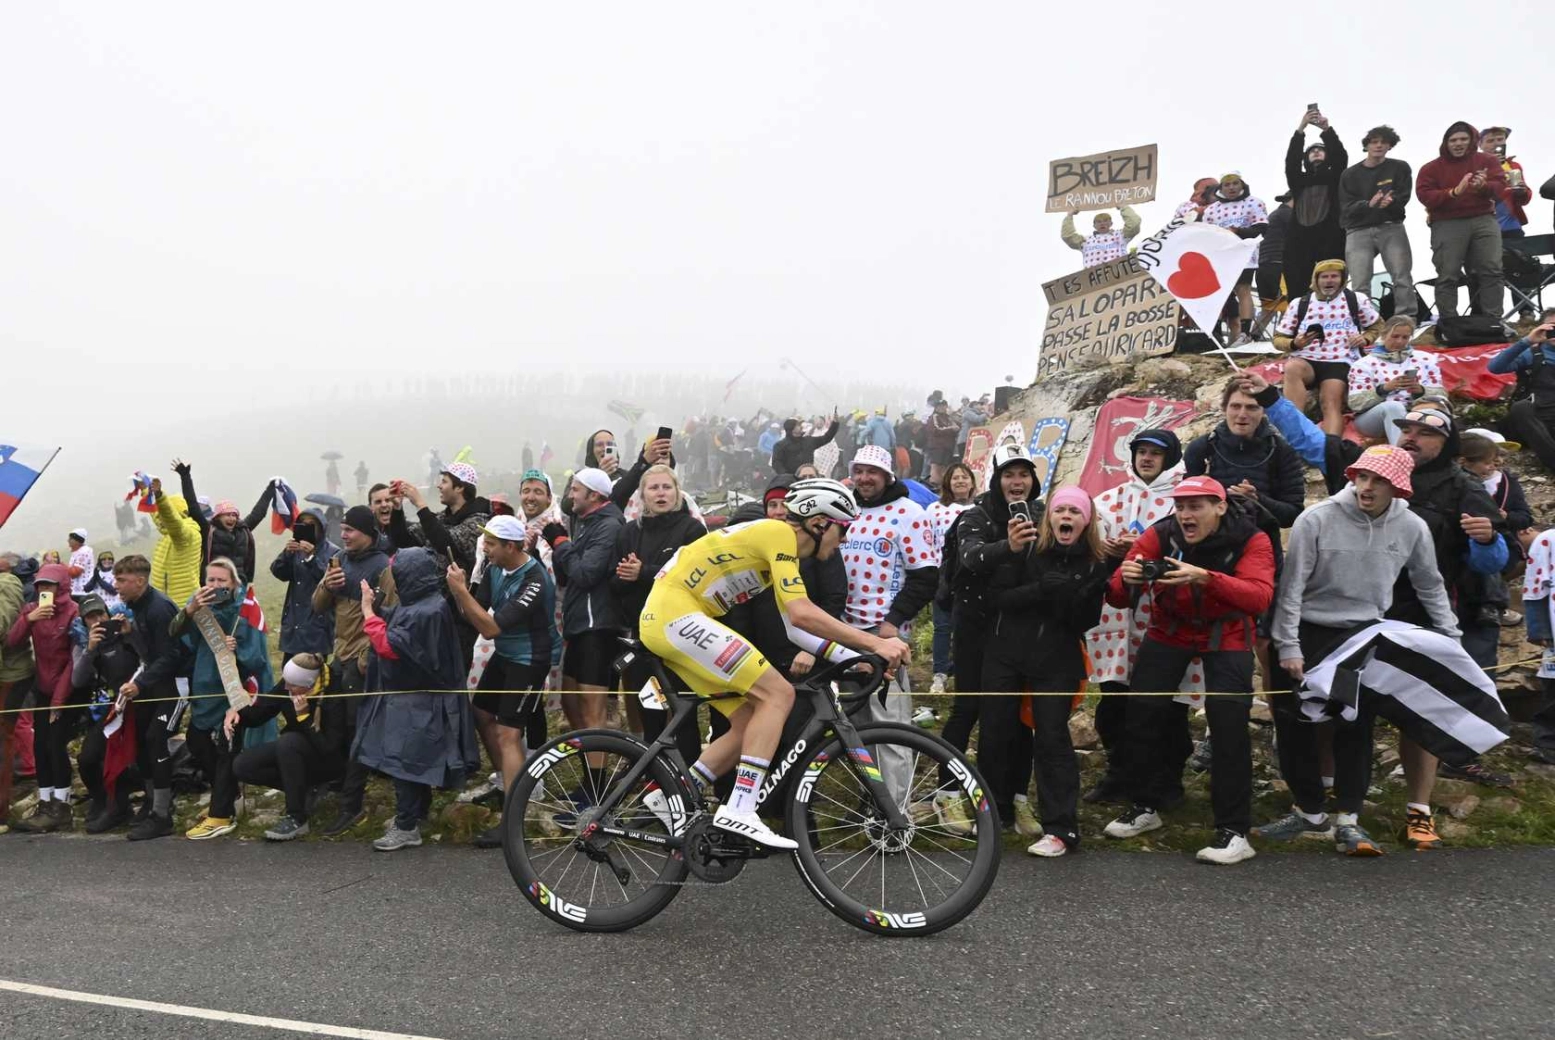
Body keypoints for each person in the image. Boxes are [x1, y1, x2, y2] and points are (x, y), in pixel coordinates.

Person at [639, 479, 910, 847]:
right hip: (676, 615)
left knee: (750, 719)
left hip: (669, 620)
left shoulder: (776, 549)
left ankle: (675, 793)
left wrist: (857, 659)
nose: (844, 540)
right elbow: (802, 614)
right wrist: (876, 642)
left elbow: (794, 630)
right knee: (778, 694)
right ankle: (740, 807)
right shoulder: (779, 535)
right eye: (843, 529)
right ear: (819, 523)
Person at [1256, 446, 1458, 856]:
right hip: (1307, 629)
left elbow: (1429, 583)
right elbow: (1291, 587)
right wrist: (1289, 645)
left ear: (1397, 487)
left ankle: (1349, 818)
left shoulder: (1412, 526)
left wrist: (1450, 638)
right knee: (1294, 725)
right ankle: (1309, 810)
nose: (1366, 487)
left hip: (1362, 634)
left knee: (1355, 724)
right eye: (1362, 477)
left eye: (1378, 481)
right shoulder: (1317, 518)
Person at [1102, 477, 1274, 865]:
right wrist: (1124, 578)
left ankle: (1234, 830)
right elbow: (1116, 595)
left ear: (1220, 507)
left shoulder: (1252, 538)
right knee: (1142, 714)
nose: (1185, 515)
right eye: (1180, 506)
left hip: (1227, 631)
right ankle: (1145, 804)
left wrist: (1206, 578)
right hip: (1170, 627)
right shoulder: (1161, 533)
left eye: (1196, 506)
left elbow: (1259, 596)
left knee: (1228, 724)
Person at [982, 487, 1111, 857]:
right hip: (1006, 654)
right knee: (997, 732)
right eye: (1060, 510)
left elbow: (1085, 621)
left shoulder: (1094, 563)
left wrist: (1072, 593)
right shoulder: (1026, 549)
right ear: (1049, 518)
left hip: (1058, 659)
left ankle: (1061, 828)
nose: (1066, 516)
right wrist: (1040, 589)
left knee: (1052, 739)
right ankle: (994, 812)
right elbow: (998, 599)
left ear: (1086, 521)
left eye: (1075, 511)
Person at [1084, 429, 1189, 804]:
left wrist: (1146, 550)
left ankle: (1167, 780)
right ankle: (1119, 774)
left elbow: (1192, 552)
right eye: (1141, 452)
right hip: (1116, 617)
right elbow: (1086, 546)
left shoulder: (1182, 502)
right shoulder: (1108, 500)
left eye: (1155, 454)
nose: (1146, 458)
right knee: (1114, 700)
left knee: (1167, 703)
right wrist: (1107, 550)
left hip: (1165, 616)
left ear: (1169, 458)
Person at [356, 547, 481, 851]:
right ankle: (416, 815)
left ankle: (406, 826)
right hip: (417, 697)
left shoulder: (427, 611)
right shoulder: (424, 602)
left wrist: (368, 612)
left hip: (420, 700)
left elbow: (389, 645)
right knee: (415, 760)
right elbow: (401, 623)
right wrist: (379, 607)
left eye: (397, 575)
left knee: (405, 761)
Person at [446, 516, 560, 847]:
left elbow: (490, 628)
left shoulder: (535, 579)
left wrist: (460, 590)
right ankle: (510, 783)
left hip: (530, 659)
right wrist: (460, 593)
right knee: (481, 712)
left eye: (491, 544)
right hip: (506, 654)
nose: (485, 548)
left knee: (508, 734)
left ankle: (514, 819)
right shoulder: (494, 567)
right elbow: (473, 611)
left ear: (511, 547)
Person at [952, 444, 1044, 834]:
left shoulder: (1042, 513)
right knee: (971, 711)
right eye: (1009, 474)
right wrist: (1010, 546)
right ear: (996, 479)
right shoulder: (976, 514)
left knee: (1022, 717)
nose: (1017, 482)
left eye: (1024, 474)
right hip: (976, 627)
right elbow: (970, 557)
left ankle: (1016, 799)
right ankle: (950, 794)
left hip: (1021, 629)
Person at [842, 445, 939, 807]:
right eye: (859, 471)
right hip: (843, 632)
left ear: (887, 475)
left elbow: (925, 577)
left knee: (891, 726)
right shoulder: (845, 509)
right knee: (855, 726)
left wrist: (893, 622)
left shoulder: (909, 512)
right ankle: (872, 801)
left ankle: (896, 811)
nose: (864, 478)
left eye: (872, 472)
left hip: (883, 632)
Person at [173, 555, 273, 840]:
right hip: (206, 684)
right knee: (197, 740)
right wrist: (190, 611)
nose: (215, 585)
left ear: (234, 583)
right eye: (211, 580)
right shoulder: (200, 605)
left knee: (227, 747)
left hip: (234, 687)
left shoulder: (244, 608)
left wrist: (236, 648)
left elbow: (256, 657)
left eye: (221, 580)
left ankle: (221, 814)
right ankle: (227, 795)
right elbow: (178, 635)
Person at [540, 467, 626, 791]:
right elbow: (568, 573)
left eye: (575, 489)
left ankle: (597, 791)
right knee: (571, 703)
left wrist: (561, 542)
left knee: (592, 713)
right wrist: (560, 545)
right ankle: (591, 779)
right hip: (580, 626)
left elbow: (586, 573)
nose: (570, 495)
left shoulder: (609, 525)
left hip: (599, 628)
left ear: (594, 495)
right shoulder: (587, 522)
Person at [309, 505, 390, 835]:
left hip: (362, 661)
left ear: (367, 533)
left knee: (358, 730)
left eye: (350, 530)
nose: (343, 535)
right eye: (341, 529)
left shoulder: (383, 566)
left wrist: (366, 657)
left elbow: (391, 616)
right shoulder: (338, 560)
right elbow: (317, 606)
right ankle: (335, 784)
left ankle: (352, 805)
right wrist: (327, 586)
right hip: (339, 657)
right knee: (335, 726)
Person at [611, 464, 705, 745]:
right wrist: (627, 576)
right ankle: (653, 767)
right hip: (643, 636)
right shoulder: (628, 533)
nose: (661, 493)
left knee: (682, 713)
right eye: (654, 488)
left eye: (667, 487)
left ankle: (688, 768)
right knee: (650, 710)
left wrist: (644, 573)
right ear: (643, 495)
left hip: (681, 634)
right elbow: (613, 584)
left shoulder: (692, 529)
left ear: (677, 493)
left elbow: (695, 579)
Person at [229, 653, 349, 841]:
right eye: (286, 682)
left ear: (309, 685)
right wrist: (236, 713)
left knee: (288, 742)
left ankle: (297, 818)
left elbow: (329, 747)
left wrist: (304, 717)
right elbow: (259, 714)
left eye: (292, 685)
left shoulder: (335, 694)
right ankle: (302, 791)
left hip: (329, 761)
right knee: (243, 765)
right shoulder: (290, 685)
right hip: (293, 753)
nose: (286, 688)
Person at [110, 554, 187, 840]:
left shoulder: (158, 608)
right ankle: (153, 802)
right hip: (155, 682)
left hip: (177, 683)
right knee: (141, 737)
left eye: (121, 580)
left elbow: (171, 656)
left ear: (140, 580)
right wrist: (130, 635)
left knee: (157, 739)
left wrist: (139, 684)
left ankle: (163, 815)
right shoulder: (137, 605)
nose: (116, 585)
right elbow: (149, 652)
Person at [5, 563, 81, 833]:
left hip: (67, 690)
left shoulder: (74, 612)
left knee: (55, 745)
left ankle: (62, 807)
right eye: (40, 585)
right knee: (40, 746)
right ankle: (46, 802)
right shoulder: (32, 610)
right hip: (43, 688)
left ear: (62, 586)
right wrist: (30, 618)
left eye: (49, 585)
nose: (43, 590)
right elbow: (12, 640)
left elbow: (73, 661)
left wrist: (58, 702)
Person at [1273, 258, 1383, 435]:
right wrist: (1295, 343)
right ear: (1316, 280)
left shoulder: (1355, 299)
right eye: (1324, 276)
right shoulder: (1299, 303)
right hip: (1306, 359)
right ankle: (1293, 434)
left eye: (1334, 276)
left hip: (1340, 360)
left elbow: (1377, 325)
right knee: (1292, 367)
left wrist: (1365, 338)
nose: (1329, 281)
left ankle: (1332, 446)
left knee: (1330, 403)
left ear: (1342, 279)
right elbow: (1278, 339)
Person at [1416, 121, 1511, 320]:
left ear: (1472, 140)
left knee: (1492, 270)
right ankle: (1449, 323)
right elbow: (1424, 195)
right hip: (1447, 223)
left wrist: (1484, 187)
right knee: (1448, 274)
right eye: (1453, 140)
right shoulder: (1431, 168)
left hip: (1483, 219)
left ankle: (1493, 321)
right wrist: (1452, 193)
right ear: (1446, 142)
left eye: (1463, 139)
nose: (1458, 143)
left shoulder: (1488, 160)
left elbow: (1501, 188)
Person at [72, 595, 143, 833]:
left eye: (101, 614)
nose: (98, 621)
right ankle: (103, 800)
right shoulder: (84, 643)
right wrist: (90, 650)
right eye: (91, 618)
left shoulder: (125, 633)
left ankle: (120, 808)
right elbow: (77, 680)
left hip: (139, 703)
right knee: (87, 759)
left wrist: (129, 634)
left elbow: (148, 659)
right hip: (110, 709)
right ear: (84, 623)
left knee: (122, 755)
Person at [1340, 124, 1416, 320]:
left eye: (1384, 142)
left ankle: (1407, 318)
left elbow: (1404, 196)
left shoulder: (1400, 167)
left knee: (1401, 275)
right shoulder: (1350, 174)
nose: (1379, 145)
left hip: (1391, 225)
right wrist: (1369, 204)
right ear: (1366, 145)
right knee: (1359, 282)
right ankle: (1364, 321)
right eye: (1374, 142)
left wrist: (1391, 202)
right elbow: (1345, 207)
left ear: (1390, 145)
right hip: (1358, 230)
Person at [1457, 431, 1530, 629]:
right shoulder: (1461, 485)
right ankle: (1490, 603)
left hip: (1496, 545)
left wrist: (1507, 517)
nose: (1495, 463)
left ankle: (1492, 603)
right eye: (1489, 460)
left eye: (1499, 457)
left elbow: (1525, 517)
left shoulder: (1507, 483)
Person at [1283, 108, 1349, 300]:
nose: (1316, 152)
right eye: (1312, 151)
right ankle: (1299, 315)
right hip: (1300, 236)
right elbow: (1291, 162)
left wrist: (1326, 129)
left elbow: (1340, 157)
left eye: (1320, 150)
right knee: (1296, 280)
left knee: (1332, 277)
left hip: (1330, 235)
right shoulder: (1298, 180)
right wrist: (1301, 128)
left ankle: (1336, 312)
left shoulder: (1335, 177)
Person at [1345, 316, 1443, 445]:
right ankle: (1402, 452)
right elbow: (1355, 403)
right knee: (1393, 407)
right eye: (1395, 336)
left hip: (1415, 412)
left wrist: (1420, 391)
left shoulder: (1426, 359)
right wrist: (1384, 389)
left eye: (1405, 337)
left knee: (1434, 410)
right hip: (1372, 418)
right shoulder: (1363, 364)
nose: (1399, 341)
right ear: (1384, 335)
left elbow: (1441, 395)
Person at [171, 459, 269, 581]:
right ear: (218, 516)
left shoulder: (242, 530)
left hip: (238, 584)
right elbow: (193, 506)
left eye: (234, 515)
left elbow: (258, 514)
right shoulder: (208, 531)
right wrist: (185, 477)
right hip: (213, 584)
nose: (232, 518)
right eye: (227, 515)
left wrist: (270, 490)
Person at [1201, 173, 1269, 346]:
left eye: (1235, 183)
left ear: (1242, 185)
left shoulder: (1254, 202)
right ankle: (1214, 334)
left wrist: (1239, 232)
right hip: (1220, 256)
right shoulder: (1211, 210)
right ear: (1221, 188)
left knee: (1243, 289)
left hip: (1244, 254)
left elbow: (1261, 228)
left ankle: (1245, 333)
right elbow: (1205, 234)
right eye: (1227, 184)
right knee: (1218, 292)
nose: (1231, 187)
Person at [926, 463, 976, 695]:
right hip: (943, 575)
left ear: (972, 482)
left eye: (964, 477)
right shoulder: (934, 509)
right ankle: (940, 674)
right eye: (955, 477)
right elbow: (926, 540)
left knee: (966, 627)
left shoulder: (979, 509)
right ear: (948, 482)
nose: (960, 481)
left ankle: (961, 670)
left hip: (971, 576)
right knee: (943, 626)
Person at [1482, 126, 1538, 318]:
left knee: (1520, 267)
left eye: (1500, 140)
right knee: (1487, 270)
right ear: (1480, 145)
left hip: (1511, 226)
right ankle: (1489, 314)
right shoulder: (1475, 165)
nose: (1496, 144)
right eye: (1490, 140)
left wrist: (1522, 191)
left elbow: (1524, 198)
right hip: (1483, 227)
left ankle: (1526, 311)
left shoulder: (1514, 166)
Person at [1488, 314, 1555, 472]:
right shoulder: (1531, 353)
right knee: (1521, 407)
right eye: (1552, 327)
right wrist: (1528, 341)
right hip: (1531, 417)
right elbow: (1495, 367)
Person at [0, 554, 38, 831]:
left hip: (9, 675)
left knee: (3, 738)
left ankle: (1, 811)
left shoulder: (6, 584)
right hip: (8, 672)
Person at [271, 509, 335, 662]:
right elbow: (279, 573)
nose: (307, 528)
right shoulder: (296, 549)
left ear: (321, 527)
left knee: (313, 671)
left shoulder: (333, 552)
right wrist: (286, 554)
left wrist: (312, 558)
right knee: (288, 669)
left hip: (317, 622)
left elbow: (330, 582)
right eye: (303, 524)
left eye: (311, 524)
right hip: (294, 619)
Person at [148, 477, 203, 608]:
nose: (159, 520)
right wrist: (146, 490)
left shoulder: (187, 534)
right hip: (163, 602)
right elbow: (157, 516)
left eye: (162, 515)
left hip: (182, 604)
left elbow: (171, 520)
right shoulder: (167, 534)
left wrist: (160, 497)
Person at [1060, 206, 1142, 268]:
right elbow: (1068, 236)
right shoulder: (1085, 241)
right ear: (1094, 226)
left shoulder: (1120, 235)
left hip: (1120, 275)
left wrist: (1123, 207)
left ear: (1111, 223)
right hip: (1095, 280)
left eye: (1105, 221)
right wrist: (1069, 215)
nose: (1102, 224)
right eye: (1098, 222)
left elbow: (1134, 224)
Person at [924, 399, 961, 489]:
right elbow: (935, 430)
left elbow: (958, 427)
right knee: (936, 466)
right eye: (940, 406)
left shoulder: (949, 418)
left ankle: (942, 487)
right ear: (936, 407)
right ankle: (934, 485)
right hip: (937, 446)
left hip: (948, 447)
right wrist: (951, 429)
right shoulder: (934, 417)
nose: (942, 407)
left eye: (944, 405)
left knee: (945, 468)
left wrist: (955, 422)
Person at [66, 528, 94, 599]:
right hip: (75, 592)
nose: (68, 540)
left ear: (77, 540)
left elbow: (75, 572)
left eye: (70, 539)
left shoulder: (84, 551)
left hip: (82, 592)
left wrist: (60, 567)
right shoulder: (76, 552)